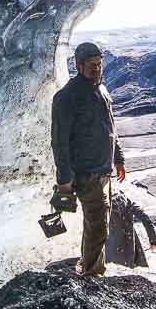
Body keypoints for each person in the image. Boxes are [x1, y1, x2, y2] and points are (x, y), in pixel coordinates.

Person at [51, 41, 126, 276]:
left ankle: (92, 267)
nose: (96, 69)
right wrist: (64, 179)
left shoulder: (102, 90)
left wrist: (118, 158)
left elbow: (110, 128)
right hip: (86, 172)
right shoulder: (67, 97)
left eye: (99, 64)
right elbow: (59, 141)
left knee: (98, 223)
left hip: (103, 170)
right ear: (78, 65)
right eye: (92, 65)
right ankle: (92, 274)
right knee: (98, 226)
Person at [105, 189, 156, 268]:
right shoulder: (127, 202)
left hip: (109, 252)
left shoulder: (103, 204)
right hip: (129, 252)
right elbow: (145, 218)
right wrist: (153, 241)